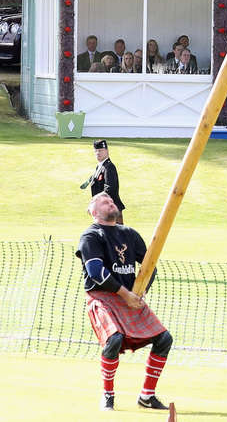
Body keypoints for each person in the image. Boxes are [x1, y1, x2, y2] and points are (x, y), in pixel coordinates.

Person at [76, 193, 172, 411]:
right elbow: (95, 271)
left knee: (164, 339)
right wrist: (126, 294)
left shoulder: (129, 234)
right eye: (103, 202)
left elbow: (150, 265)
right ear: (93, 211)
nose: (110, 202)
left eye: (111, 200)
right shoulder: (91, 235)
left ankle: (147, 396)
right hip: (103, 297)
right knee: (114, 339)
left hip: (129, 298)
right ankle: (108, 395)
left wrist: (140, 293)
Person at [82, 140, 125, 224]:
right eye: (96, 151)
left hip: (111, 211)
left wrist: (95, 202)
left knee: (115, 236)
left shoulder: (109, 167)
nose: (98, 153)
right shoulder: (100, 166)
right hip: (103, 210)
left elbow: (109, 189)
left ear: (107, 151)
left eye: (100, 150)